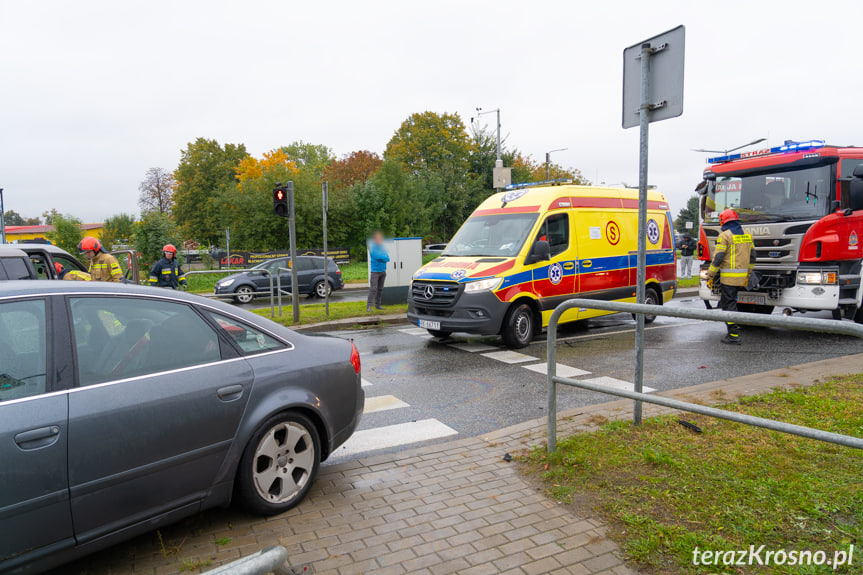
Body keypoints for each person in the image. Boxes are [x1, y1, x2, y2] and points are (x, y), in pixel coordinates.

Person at [705, 209, 756, 345]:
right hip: (742, 277)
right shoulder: (747, 235)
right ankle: (735, 329)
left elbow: (718, 257)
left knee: (728, 305)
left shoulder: (725, 235)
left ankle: (734, 334)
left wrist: (710, 274)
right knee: (732, 302)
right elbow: (753, 257)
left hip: (728, 278)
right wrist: (748, 274)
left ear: (723, 221)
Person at [367, 232, 390, 312]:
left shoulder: (382, 247)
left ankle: (378, 305)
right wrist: (383, 257)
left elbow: (388, 258)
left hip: (383, 271)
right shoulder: (372, 248)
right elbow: (377, 256)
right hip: (375, 272)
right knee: (373, 289)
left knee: (380, 289)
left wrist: (382, 258)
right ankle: (369, 307)